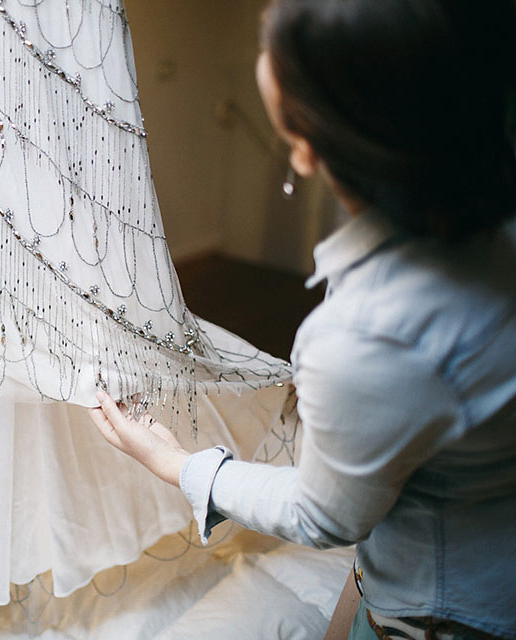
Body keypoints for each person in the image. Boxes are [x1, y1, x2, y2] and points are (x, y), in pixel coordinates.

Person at [89, 0, 516, 638]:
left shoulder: (369, 334)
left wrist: (175, 462)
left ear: (310, 152)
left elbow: (325, 516)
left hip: (446, 610)